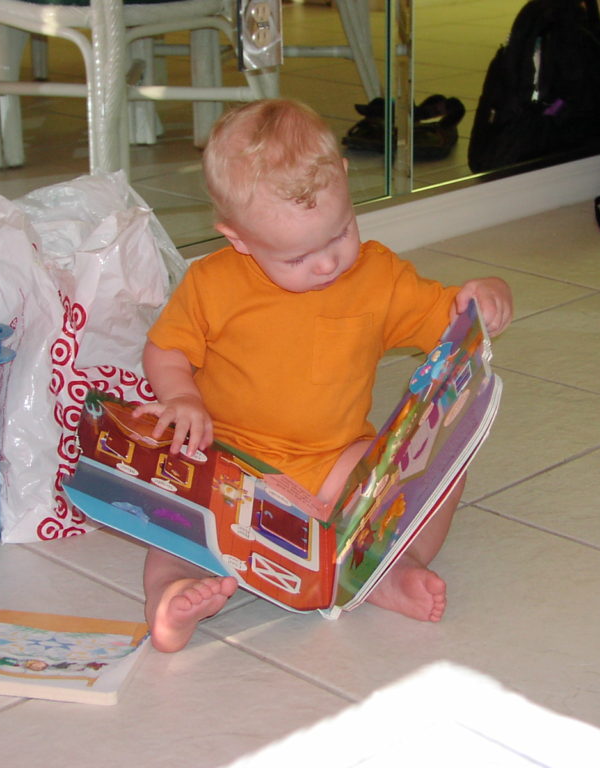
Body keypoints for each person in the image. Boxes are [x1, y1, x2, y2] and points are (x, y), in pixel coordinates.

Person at [134, 99, 513, 652]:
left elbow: (447, 319)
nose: (328, 263)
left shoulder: (377, 275)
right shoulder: (212, 284)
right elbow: (164, 348)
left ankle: (385, 570)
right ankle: (170, 595)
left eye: (340, 234)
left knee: (433, 474)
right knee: (172, 523)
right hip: (228, 461)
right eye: (297, 257)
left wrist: (485, 295)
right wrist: (182, 397)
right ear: (238, 238)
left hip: (333, 463)